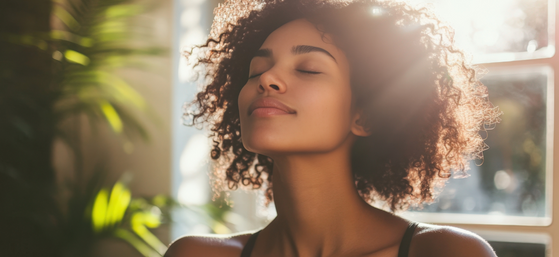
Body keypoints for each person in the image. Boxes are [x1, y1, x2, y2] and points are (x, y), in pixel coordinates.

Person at [166, 0, 501, 256]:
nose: (267, 79)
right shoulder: (196, 254)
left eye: (309, 69)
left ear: (365, 116)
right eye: (256, 71)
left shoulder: (445, 253)